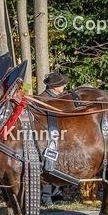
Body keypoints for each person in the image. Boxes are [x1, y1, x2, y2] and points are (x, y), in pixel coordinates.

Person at [38, 72, 69, 207]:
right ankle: (46, 197)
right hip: (46, 138)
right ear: (55, 86)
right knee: (47, 165)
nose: (64, 86)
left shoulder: (59, 98)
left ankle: (56, 194)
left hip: (58, 135)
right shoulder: (42, 99)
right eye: (61, 84)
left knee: (57, 164)